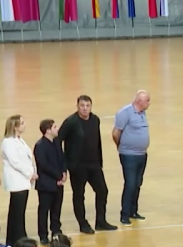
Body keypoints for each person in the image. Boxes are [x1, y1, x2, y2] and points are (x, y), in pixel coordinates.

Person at [58, 95, 114, 234]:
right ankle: (82, 223)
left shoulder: (95, 120)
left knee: (102, 190)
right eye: (82, 105)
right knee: (79, 195)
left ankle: (100, 221)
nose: (85, 108)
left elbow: (97, 140)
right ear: (77, 106)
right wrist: (64, 164)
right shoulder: (70, 122)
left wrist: (99, 161)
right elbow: (58, 141)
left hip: (94, 164)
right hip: (78, 166)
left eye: (87, 106)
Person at [113, 91, 151, 226]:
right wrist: (122, 147)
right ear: (140, 101)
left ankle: (133, 211)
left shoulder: (142, 113)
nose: (149, 103)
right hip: (129, 155)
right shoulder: (125, 113)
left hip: (142, 154)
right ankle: (124, 214)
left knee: (137, 183)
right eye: (147, 100)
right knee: (130, 183)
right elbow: (116, 133)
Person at [0, 115, 37, 245]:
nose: (24, 125)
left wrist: (33, 171)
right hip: (17, 181)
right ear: (15, 127)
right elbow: (15, 161)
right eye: (22, 123)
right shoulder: (8, 142)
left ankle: (18, 235)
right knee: (17, 210)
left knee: (20, 211)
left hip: (23, 181)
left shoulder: (19, 140)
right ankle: (16, 238)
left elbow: (27, 158)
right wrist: (29, 173)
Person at [33, 119, 67, 245]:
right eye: (54, 127)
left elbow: (62, 158)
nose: (57, 129)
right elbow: (43, 165)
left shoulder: (56, 142)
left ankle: (56, 231)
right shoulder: (40, 145)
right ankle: (43, 235)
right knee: (44, 210)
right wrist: (58, 176)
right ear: (48, 130)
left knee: (56, 209)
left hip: (58, 183)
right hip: (46, 184)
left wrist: (64, 172)